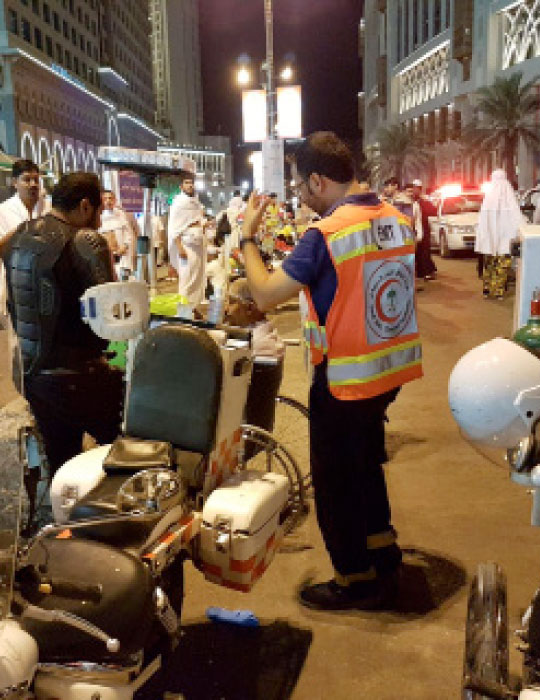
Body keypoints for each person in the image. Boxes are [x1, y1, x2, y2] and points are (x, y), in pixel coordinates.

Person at [240, 132, 423, 611]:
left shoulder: (327, 234)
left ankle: (354, 579)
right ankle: (384, 552)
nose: (301, 195)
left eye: (302, 186)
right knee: (366, 465)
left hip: (345, 379)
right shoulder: (395, 218)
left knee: (336, 482)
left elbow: (263, 294)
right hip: (389, 373)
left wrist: (246, 237)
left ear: (319, 180)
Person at [1, 172, 123, 474]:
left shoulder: (15, 236)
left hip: (32, 374)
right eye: (98, 212)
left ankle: (63, 519)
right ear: (85, 206)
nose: (99, 220)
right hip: (80, 377)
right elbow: (112, 316)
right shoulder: (86, 240)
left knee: (61, 466)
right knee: (127, 453)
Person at [0, 159, 48, 312]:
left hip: (46, 278)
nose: (33, 184)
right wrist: (21, 230)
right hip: (16, 278)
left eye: (36, 179)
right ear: (15, 182)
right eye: (27, 179)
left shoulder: (49, 207)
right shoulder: (3, 211)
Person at [476, 169, 524, 300]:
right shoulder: (509, 195)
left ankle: (487, 288)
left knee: (489, 263)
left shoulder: (488, 197)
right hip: (505, 239)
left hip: (489, 239)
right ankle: (499, 290)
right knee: (503, 264)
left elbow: (482, 222)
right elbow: (517, 218)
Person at [168, 174, 207, 309]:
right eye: (186, 183)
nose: (190, 185)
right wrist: (180, 248)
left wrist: (205, 224)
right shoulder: (178, 203)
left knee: (197, 276)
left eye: (191, 183)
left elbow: (198, 220)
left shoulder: (196, 202)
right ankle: (183, 309)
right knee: (186, 277)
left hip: (198, 244)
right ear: (181, 186)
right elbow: (175, 227)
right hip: (186, 245)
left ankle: (193, 307)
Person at [99, 189, 138, 278]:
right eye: (105, 199)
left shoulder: (121, 214)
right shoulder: (98, 216)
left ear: (115, 200)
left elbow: (129, 234)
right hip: (107, 256)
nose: (108, 201)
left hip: (122, 254)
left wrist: (125, 246)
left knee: (125, 279)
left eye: (110, 198)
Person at [405, 180, 437, 281]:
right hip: (410, 231)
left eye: (417, 188)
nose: (414, 191)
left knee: (424, 251)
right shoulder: (405, 203)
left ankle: (426, 271)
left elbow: (430, 213)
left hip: (422, 229)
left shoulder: (423, 202)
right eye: (412, 189)